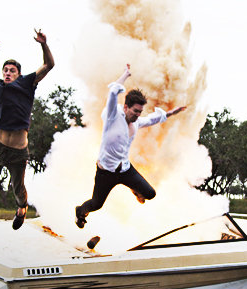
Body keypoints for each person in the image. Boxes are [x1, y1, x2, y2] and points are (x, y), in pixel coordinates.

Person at [75, 64, 186, 228]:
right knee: (97, 204)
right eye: (135, 111)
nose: (138, 115)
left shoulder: (137, 122)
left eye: (140, 112)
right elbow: (113, 92)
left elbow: (153, 119)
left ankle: (135, 189)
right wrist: (125, 75)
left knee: (150, 194)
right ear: (126, 107)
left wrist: (172, 113)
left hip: (125, 170)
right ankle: (80, 211)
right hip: (106, 172)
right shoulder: (112, 116)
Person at [0, 30, 55, 229]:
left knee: (18, 189)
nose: (7, 73)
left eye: (12, 71)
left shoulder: (27, 83)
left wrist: (43, 43)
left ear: (18, 74)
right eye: (5, 70)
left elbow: (49, 65)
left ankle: (21, 209)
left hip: (18, 152)